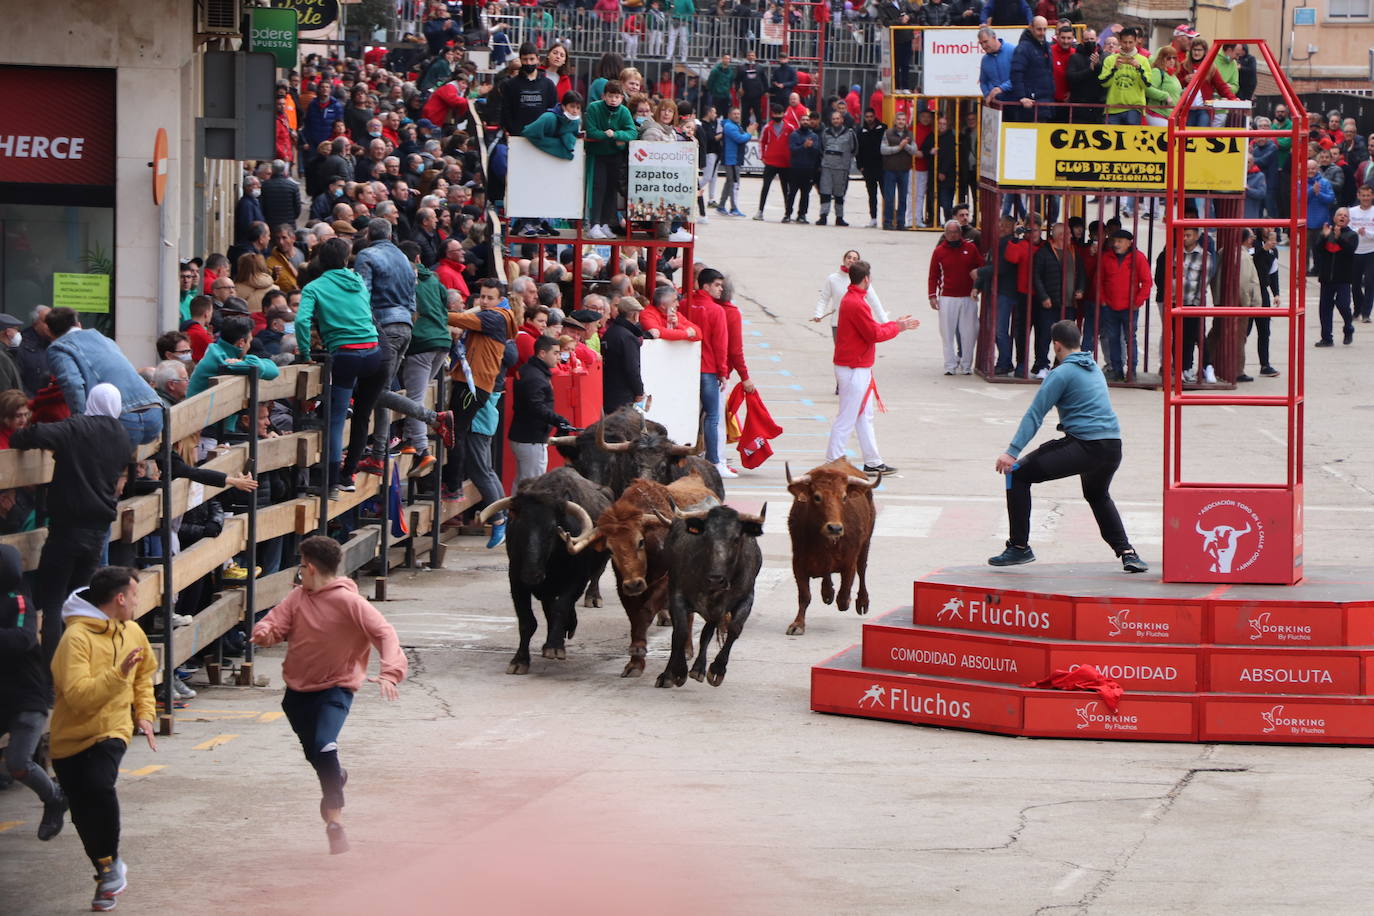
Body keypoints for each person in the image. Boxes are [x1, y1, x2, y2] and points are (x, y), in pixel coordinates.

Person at [252, 535, 406, 856]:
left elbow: (385, 633)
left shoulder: (350, 603)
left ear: (308, 567)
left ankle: (335, 822)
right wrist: (264, 633)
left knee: (324, 745)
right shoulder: (298, 597)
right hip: (296, 694)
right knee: (319, 757)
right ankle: (337, 776)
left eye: (299, 565)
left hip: (336, 688)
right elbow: (275, 622)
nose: (298, 571)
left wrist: (391, 671)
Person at [992, 320, 1148, 572]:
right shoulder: (1094, 368)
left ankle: (1019, 548)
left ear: (1056, 345)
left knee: (1017, 475)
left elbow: (1035, 414)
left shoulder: (1061, 374)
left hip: (1086, 446)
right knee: (1097, 495)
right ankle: (1127, 553)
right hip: (1113, 447)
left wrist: (1012, 452)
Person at [48, 565, 157, 911]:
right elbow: (79, 697)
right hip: (70, 739)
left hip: (112, 731)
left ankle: (109, 870)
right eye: (135, 595)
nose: (138, 602)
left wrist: (144, 714)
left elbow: (144, 675)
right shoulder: (75, 639)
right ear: (120, 598)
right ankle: (106, 872)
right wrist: (117, 673)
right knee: (83, 814)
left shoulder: (134, 632)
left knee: (99, 788)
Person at [296, 237, 389, 494]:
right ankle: (349, 476)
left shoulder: (314, 287)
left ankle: (332, 481)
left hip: (346, 356)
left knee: (336, 420)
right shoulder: (357, 280)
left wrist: (305, 352)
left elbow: (302, 322)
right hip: (374, 353)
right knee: (362, 416)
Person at [0, 543, 67, 842]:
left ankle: (53, 798)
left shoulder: (19, 601)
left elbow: (23, 638)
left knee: (18, 763)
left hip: (26, 697)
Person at [826, 260, 919, 476]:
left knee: (863, 415)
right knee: (848, 416)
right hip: (854, 368)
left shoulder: (854, 300)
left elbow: (872, 329)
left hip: (857, 366)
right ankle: (833, 461)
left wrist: (894, 325)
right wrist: (898, 327)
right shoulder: (857, 303)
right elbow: (873, 334)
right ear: (866, 279)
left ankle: (872, 460)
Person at [44, 307, 163, 451]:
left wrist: (83, 425)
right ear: (78, 325)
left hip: (122, 420)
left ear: (49, 332)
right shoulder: (104, 339)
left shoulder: (59, 348)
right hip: (155, 415)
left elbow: (73, 385)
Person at [684, 269, 731, 474]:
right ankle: (714, 461)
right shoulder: (716, 310)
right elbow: (721, 345)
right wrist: (723, 371)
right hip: (709, 369)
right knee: (712, 416)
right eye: (717, 285)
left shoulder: (685, 304)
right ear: (706, 286)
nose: (721, 289)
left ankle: (688, 456)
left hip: (686, 368)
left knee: (689, 414)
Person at [510, 336, 573, 483]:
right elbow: (536, 407)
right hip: (532, 439)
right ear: (542, 353)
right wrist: (558, 420)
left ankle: (513, 507)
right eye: (555, 353)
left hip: (524, 436)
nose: (559, 357)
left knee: (522, 481)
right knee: (532, 485)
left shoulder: (528, 370)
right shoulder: (536, 377)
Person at [928, 221, 984, 375]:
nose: (953, 235)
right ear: (945, 234)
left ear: (960, 233)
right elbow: (933, 275)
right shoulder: (939, 251)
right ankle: (950, 365)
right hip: (947, 298)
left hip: (968, 298)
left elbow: (982, 267)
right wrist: (932, 296)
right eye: (950, 232)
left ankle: (966, 366)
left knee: (969, 333)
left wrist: (977, 287)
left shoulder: (971, 248)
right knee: (947, 333)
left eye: (956, 231)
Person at [1030, 222, 1085, 377]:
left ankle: (1059, 365)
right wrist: (1044, 297)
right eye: (1067, 234)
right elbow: (1036, 277)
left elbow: (1081, 273)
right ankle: (1041, 365)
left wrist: (1080, 289)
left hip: (1068, 304)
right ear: (1060, 235)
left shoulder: (1073, 252)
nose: (1070, 236)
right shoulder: (1044, 253)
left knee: (1065, 337)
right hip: (1050, 303)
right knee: (1044, 336)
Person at [584, 80, 637, 239]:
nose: (613, 100)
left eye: (617, 97)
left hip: (615, 156)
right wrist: (606, 136)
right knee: (598, 189)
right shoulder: (594, 108)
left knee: (611, 191)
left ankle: (606, 224)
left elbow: (632, 132)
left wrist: (615, 135)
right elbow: (591, 130)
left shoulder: (624, 112)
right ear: (604, 96)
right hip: (597, 155)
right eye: (610, 96)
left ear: (622, 98)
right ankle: (594, 224)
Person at [1098, 229, 1151, 381]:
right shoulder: (1106, 257)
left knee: (1130, 339)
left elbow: (1147, 282)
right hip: (1110, 306)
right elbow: (1099, 280)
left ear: (1129, 243)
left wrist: (1137, 302)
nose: (1116, 244)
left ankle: (1131, 370)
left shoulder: (1138, 258)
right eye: (1115, 241)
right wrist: (1103, 300)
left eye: (1120, 241)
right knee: (1113, 338)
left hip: (1129, 308)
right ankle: (1117, 370)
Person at [1316, 207, 1358, 348]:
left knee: (1343, 305)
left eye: (1345, 215)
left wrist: (1339, 238)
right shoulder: (1327, 232)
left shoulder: (1352, 235)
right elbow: (1318, 250)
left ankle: (1348, 328)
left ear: (1348, 220)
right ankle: (1327, 338)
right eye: (1339, 215)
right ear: (1334, 218)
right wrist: (1323, 237)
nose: (1342, 217)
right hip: (1327, 278)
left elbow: (1349, 251)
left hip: (1343, 278)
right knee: (1325, 309)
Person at [1099, 26, 1152, 126]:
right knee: (1112, 141)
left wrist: (1139, 68)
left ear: (1136, 41)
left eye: (1130, 42)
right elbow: (1104, 83)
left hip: (1134, 108)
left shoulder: (1143, 60)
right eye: (1124, 42)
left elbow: (1147, 85)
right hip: (1113, 108)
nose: (1127, 46)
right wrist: (1114, 69)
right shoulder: (1110, 60)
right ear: (1119, 41)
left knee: (1131, 141)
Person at [602, 297, 647, 414]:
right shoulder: (628, 337)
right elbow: (632, 368)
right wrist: (639, 392)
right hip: (623, 395)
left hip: (608, 391)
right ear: (634, 315)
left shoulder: (610, 332)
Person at [818, 108, 856, 227]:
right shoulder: (825, 133)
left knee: (839, 193)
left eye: (838, 118)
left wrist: (845, 161)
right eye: (834, 119)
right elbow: (821, 147)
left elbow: (854, 149)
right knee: (825, 192)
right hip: (827, 167)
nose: (836, 120)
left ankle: (839, 217)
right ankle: (823, 216)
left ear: (842, 120)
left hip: (841, 168)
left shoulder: (849, 133)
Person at [755, 104, 794, 221]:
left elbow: (794, 143)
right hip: (770, 162)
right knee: (765, 187)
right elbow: (762, 141)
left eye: (779, 113)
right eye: (775, 114)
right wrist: (762, 157)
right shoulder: (767, 127)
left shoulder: (790, 127)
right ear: (772, 114)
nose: (777, 116)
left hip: (785, 163)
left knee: (785, 189)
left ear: (783, 114)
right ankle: (760, 211)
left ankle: (787, 214)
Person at [880, 109, 914, 231]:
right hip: (890, 169)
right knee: (889, 197)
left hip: (904, 170)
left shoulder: (909, 134)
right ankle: (888, 222)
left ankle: (901, 222)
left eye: (903, 120)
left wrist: (906, 146)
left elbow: (914, 150)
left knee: (903, 197)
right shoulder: (888, 133)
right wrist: (899, 147)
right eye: (899, 119)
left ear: (906, 122)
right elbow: (883, 150)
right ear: (895, 121)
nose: (901, 122)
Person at [786, 111, 821, 224]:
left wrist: (810, 147)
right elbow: (792, 150)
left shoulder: (814, 136)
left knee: (805, 194)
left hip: (808, 170)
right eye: (803, 120)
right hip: (795, 169)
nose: (805, 122)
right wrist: (804, 146)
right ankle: (787, 214)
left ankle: (802, 215)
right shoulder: (794, 135)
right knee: (792, 193)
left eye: (807, 120)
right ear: (800, 122)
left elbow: (816, 151)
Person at [857, 109, 887, 229]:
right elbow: (858, 150)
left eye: (871, 116)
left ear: (875, 116)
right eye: (867, 116)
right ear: (864, 117)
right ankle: (873, 218)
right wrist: (860, 166)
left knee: (886, 194)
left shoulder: (883, 128)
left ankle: (889, 217)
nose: (869, 118)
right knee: (872, 194)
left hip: (881, 167)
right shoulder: (861, 131)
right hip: (868, 168)